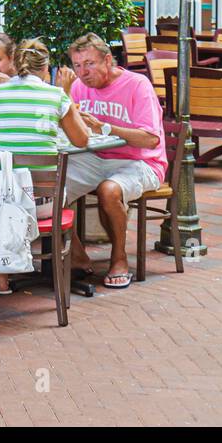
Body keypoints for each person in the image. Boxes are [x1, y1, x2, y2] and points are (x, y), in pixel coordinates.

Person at [0, 38, 90, 294]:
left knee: (9, 199)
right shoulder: (56, 96)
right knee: (55, 193)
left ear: (16, 63)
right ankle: (63, 264)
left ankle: (1, 270)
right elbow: (82, 140)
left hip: (0, 201)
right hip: (44, 206)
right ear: (46, 70)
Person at [55, 33, 166, 290]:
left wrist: (106, 127)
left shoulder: (138, 85)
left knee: (109, 190)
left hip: (141, 162)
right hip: (96, 157)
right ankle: (77, 254)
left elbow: (150, 140)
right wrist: (65, 97)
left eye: (90, 64)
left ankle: (119, 258)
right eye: (78, 66)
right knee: (51, 185)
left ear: (108, 60)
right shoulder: (79, 87)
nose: (83, 72)